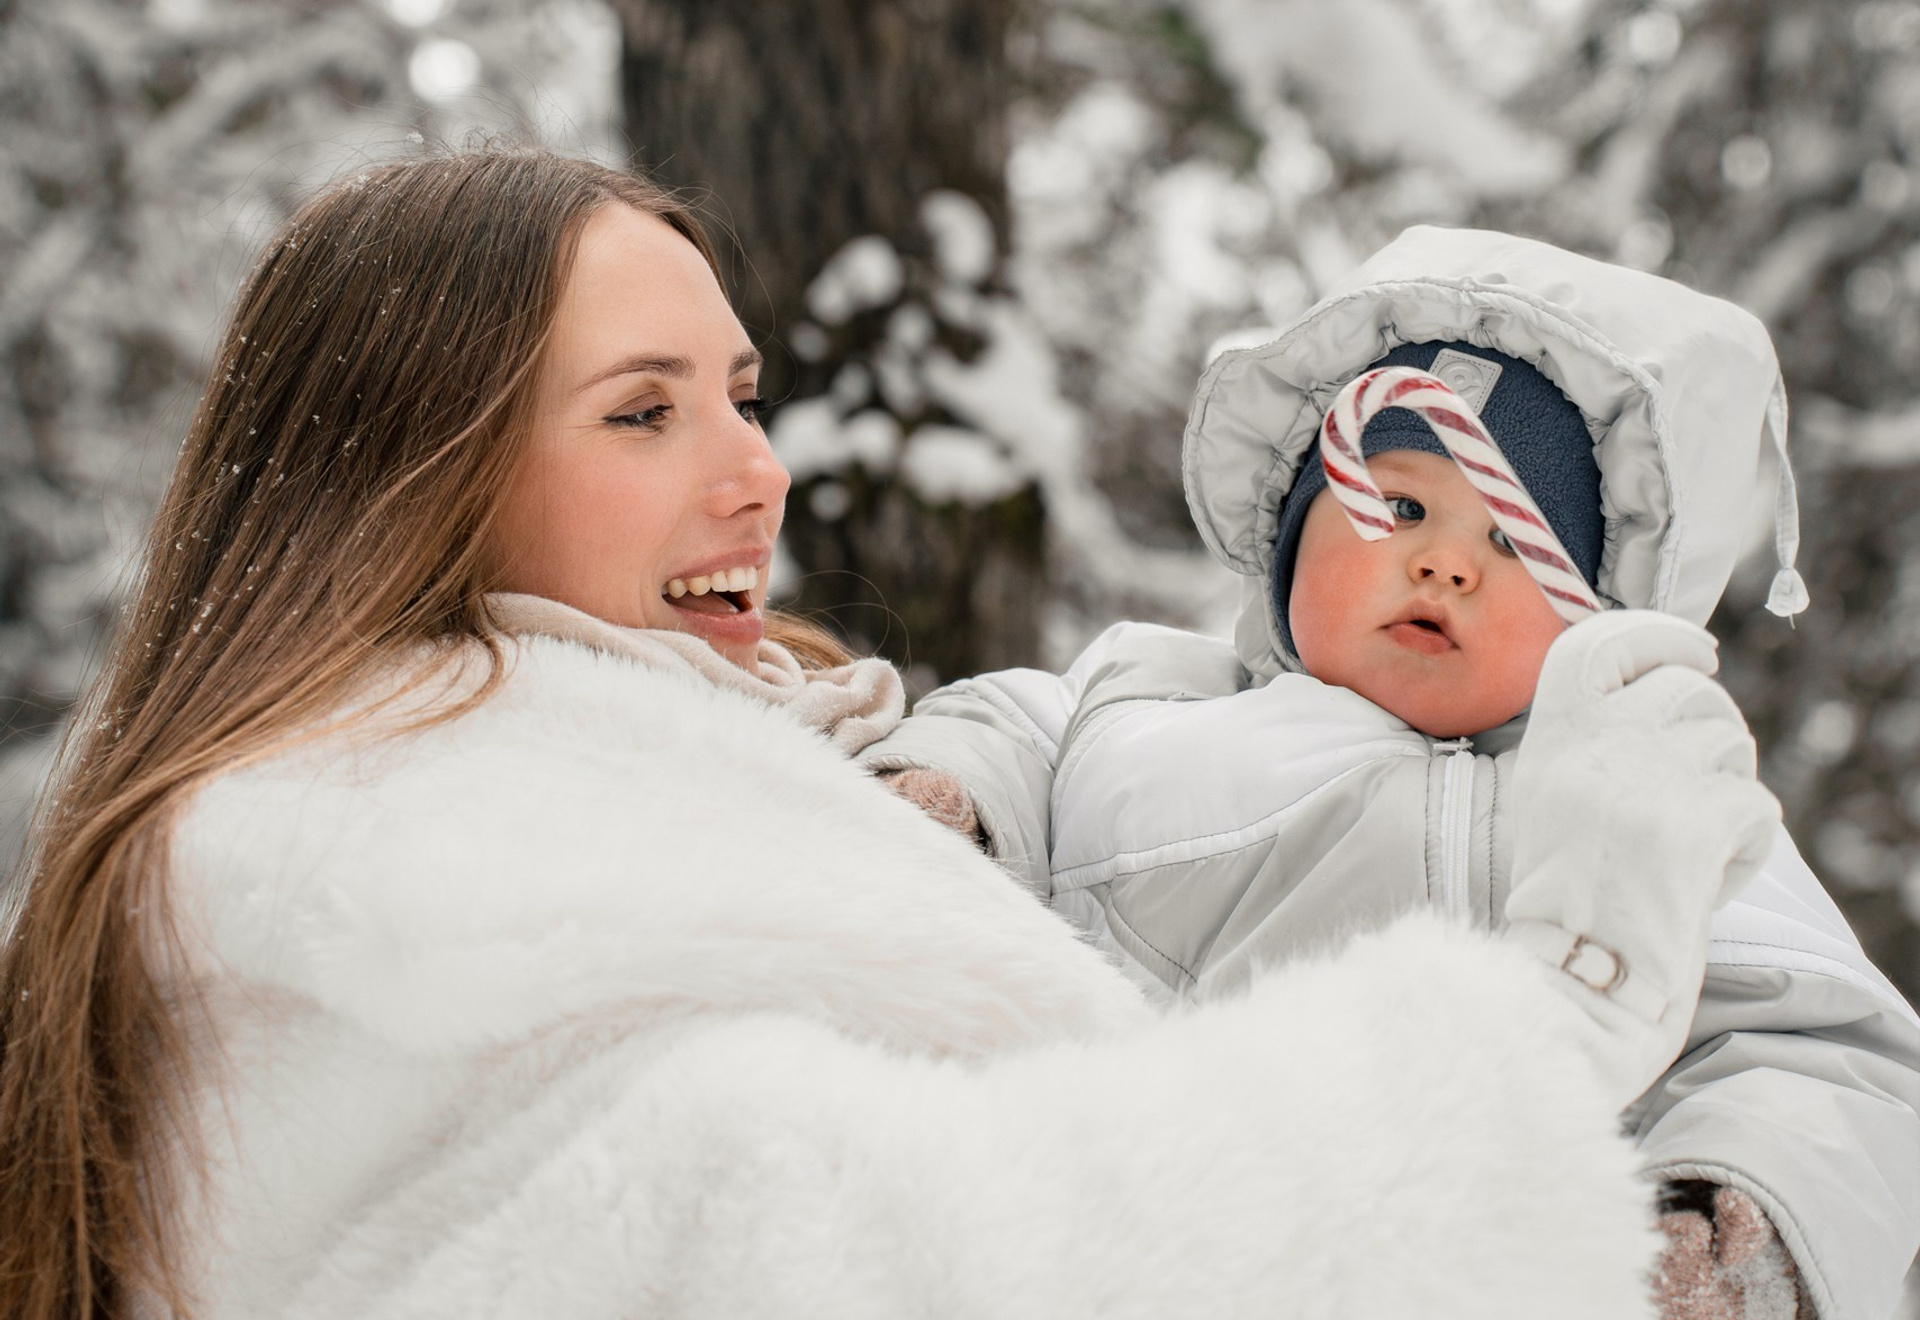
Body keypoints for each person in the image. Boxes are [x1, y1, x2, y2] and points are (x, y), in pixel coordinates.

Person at [0, 156, 1777, 1320]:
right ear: (412, 473)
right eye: (642, 410)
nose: (755, 471)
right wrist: (1558, 1010)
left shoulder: (668, 788)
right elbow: (883, 1264)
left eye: (743, 396)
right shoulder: (405, 874)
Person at [869, 225, 1920, 1320]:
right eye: (1403, 506)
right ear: (1288, 533)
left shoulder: (1634, 811)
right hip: (1075, 1221)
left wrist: (1726, 1225)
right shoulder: (1155, 693)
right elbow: (1004, 725)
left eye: (1516, 544)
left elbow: (1829, 1056)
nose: (1446, 559)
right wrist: (946, 800)